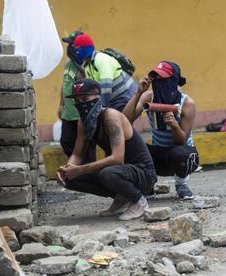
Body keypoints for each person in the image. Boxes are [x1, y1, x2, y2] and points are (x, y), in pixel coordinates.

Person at [57, 78, 157, 221]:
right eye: (77, 101)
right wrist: (67, 170)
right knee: (70, 179)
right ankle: (121, 197)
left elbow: (117, 159)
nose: (81, 104)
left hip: (143, 173)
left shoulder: (111, 117)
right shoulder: (83, 122)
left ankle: (140, 201)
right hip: (120, 171)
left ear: (97, 97)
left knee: (108, 173)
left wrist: (80, 169)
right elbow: (77, 154)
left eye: (85, 98)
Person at [123, 61, 199, 200]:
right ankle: (147, 185)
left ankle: (182, 185)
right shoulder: (148, 98)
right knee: (128, 147)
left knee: (180, 152)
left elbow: (181, 140)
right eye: (156, 79)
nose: (159, 83)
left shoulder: (187, 103)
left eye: (164, 79)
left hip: (183, 157)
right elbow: (125, 120)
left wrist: (174, 125)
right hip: (158, 156)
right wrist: (138, 92)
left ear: (174, 80)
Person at [71, 33, 137, 112]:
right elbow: (94, 90)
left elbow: (106, 86)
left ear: (86, 48)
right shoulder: (87, 66)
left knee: (118, 122)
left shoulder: (100, 58)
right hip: (113, 101)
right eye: (75, 50)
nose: (77, 52)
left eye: (79, 49)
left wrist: (102, 108)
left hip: (125, 97)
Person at [58, 31, 95, 163]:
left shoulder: (87, 63)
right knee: (66, 141)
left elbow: (91, 88)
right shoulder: (69, 63)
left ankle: (88, 174)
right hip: (68, 113)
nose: (70, 48)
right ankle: (78, 168)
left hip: (80, 113)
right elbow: (64, 84)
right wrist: (61, 105)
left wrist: (83, 72)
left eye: (72, 45)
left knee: (86, 146)